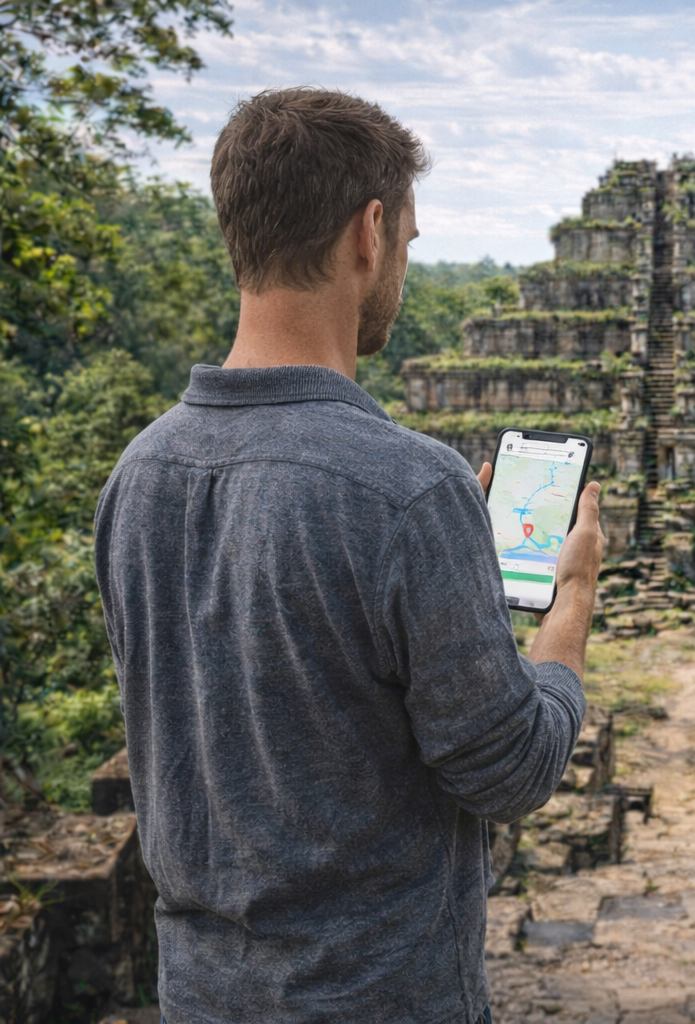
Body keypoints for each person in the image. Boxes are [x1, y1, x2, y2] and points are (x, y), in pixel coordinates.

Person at [93, 87, 604, 1024]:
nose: (403, 262)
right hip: (378, 996)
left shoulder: (139, 473)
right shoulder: (409, 489)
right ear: (369, 232)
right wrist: (568, 603)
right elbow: (511, 770)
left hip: (201, 995)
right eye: (408, 240)